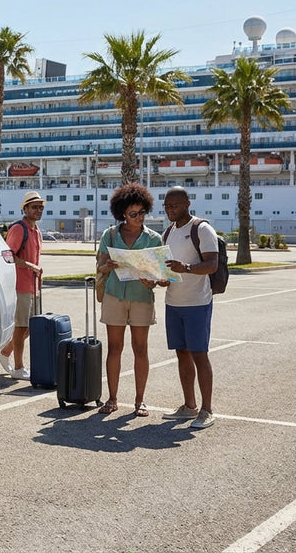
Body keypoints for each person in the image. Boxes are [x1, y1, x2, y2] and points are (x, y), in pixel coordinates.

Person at [95, 183, 162, 416]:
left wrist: (151, 281)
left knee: (140, 348)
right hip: (115, 295)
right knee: (114, 347)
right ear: (123, 213)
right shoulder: (110, 235)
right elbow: (100, 266)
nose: (139, 217)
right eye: (133, 214)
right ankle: (112, 399)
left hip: (141, 296)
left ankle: (140, 401)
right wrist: (108, 265)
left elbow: (158, 275)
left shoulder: (154, 238)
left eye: (142, 212)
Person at [161, 186, 220, 429]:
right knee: (181, 353)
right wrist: (157, 279)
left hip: (197, 302)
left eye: (173, 206)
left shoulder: (201, 229)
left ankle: (207, 410)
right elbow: (168, 270)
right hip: (173, 301)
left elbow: (212, 264)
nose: (169, 210)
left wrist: (185, 267)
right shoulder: (167, 232)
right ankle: (189, 406)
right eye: (166, 207)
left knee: (199, 354)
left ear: (187, 203)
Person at [0, 191, 44, 380]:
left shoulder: (36, 230)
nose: (38, 210)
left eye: (40, 207)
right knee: (21, 326)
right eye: (34, 207)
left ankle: (5, 352)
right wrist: (29, 265)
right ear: (25, 209)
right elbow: (8, 256)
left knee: (31, 328)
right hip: (20, 286)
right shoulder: (19, 228)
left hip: (33, 286)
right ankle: (18, 368)